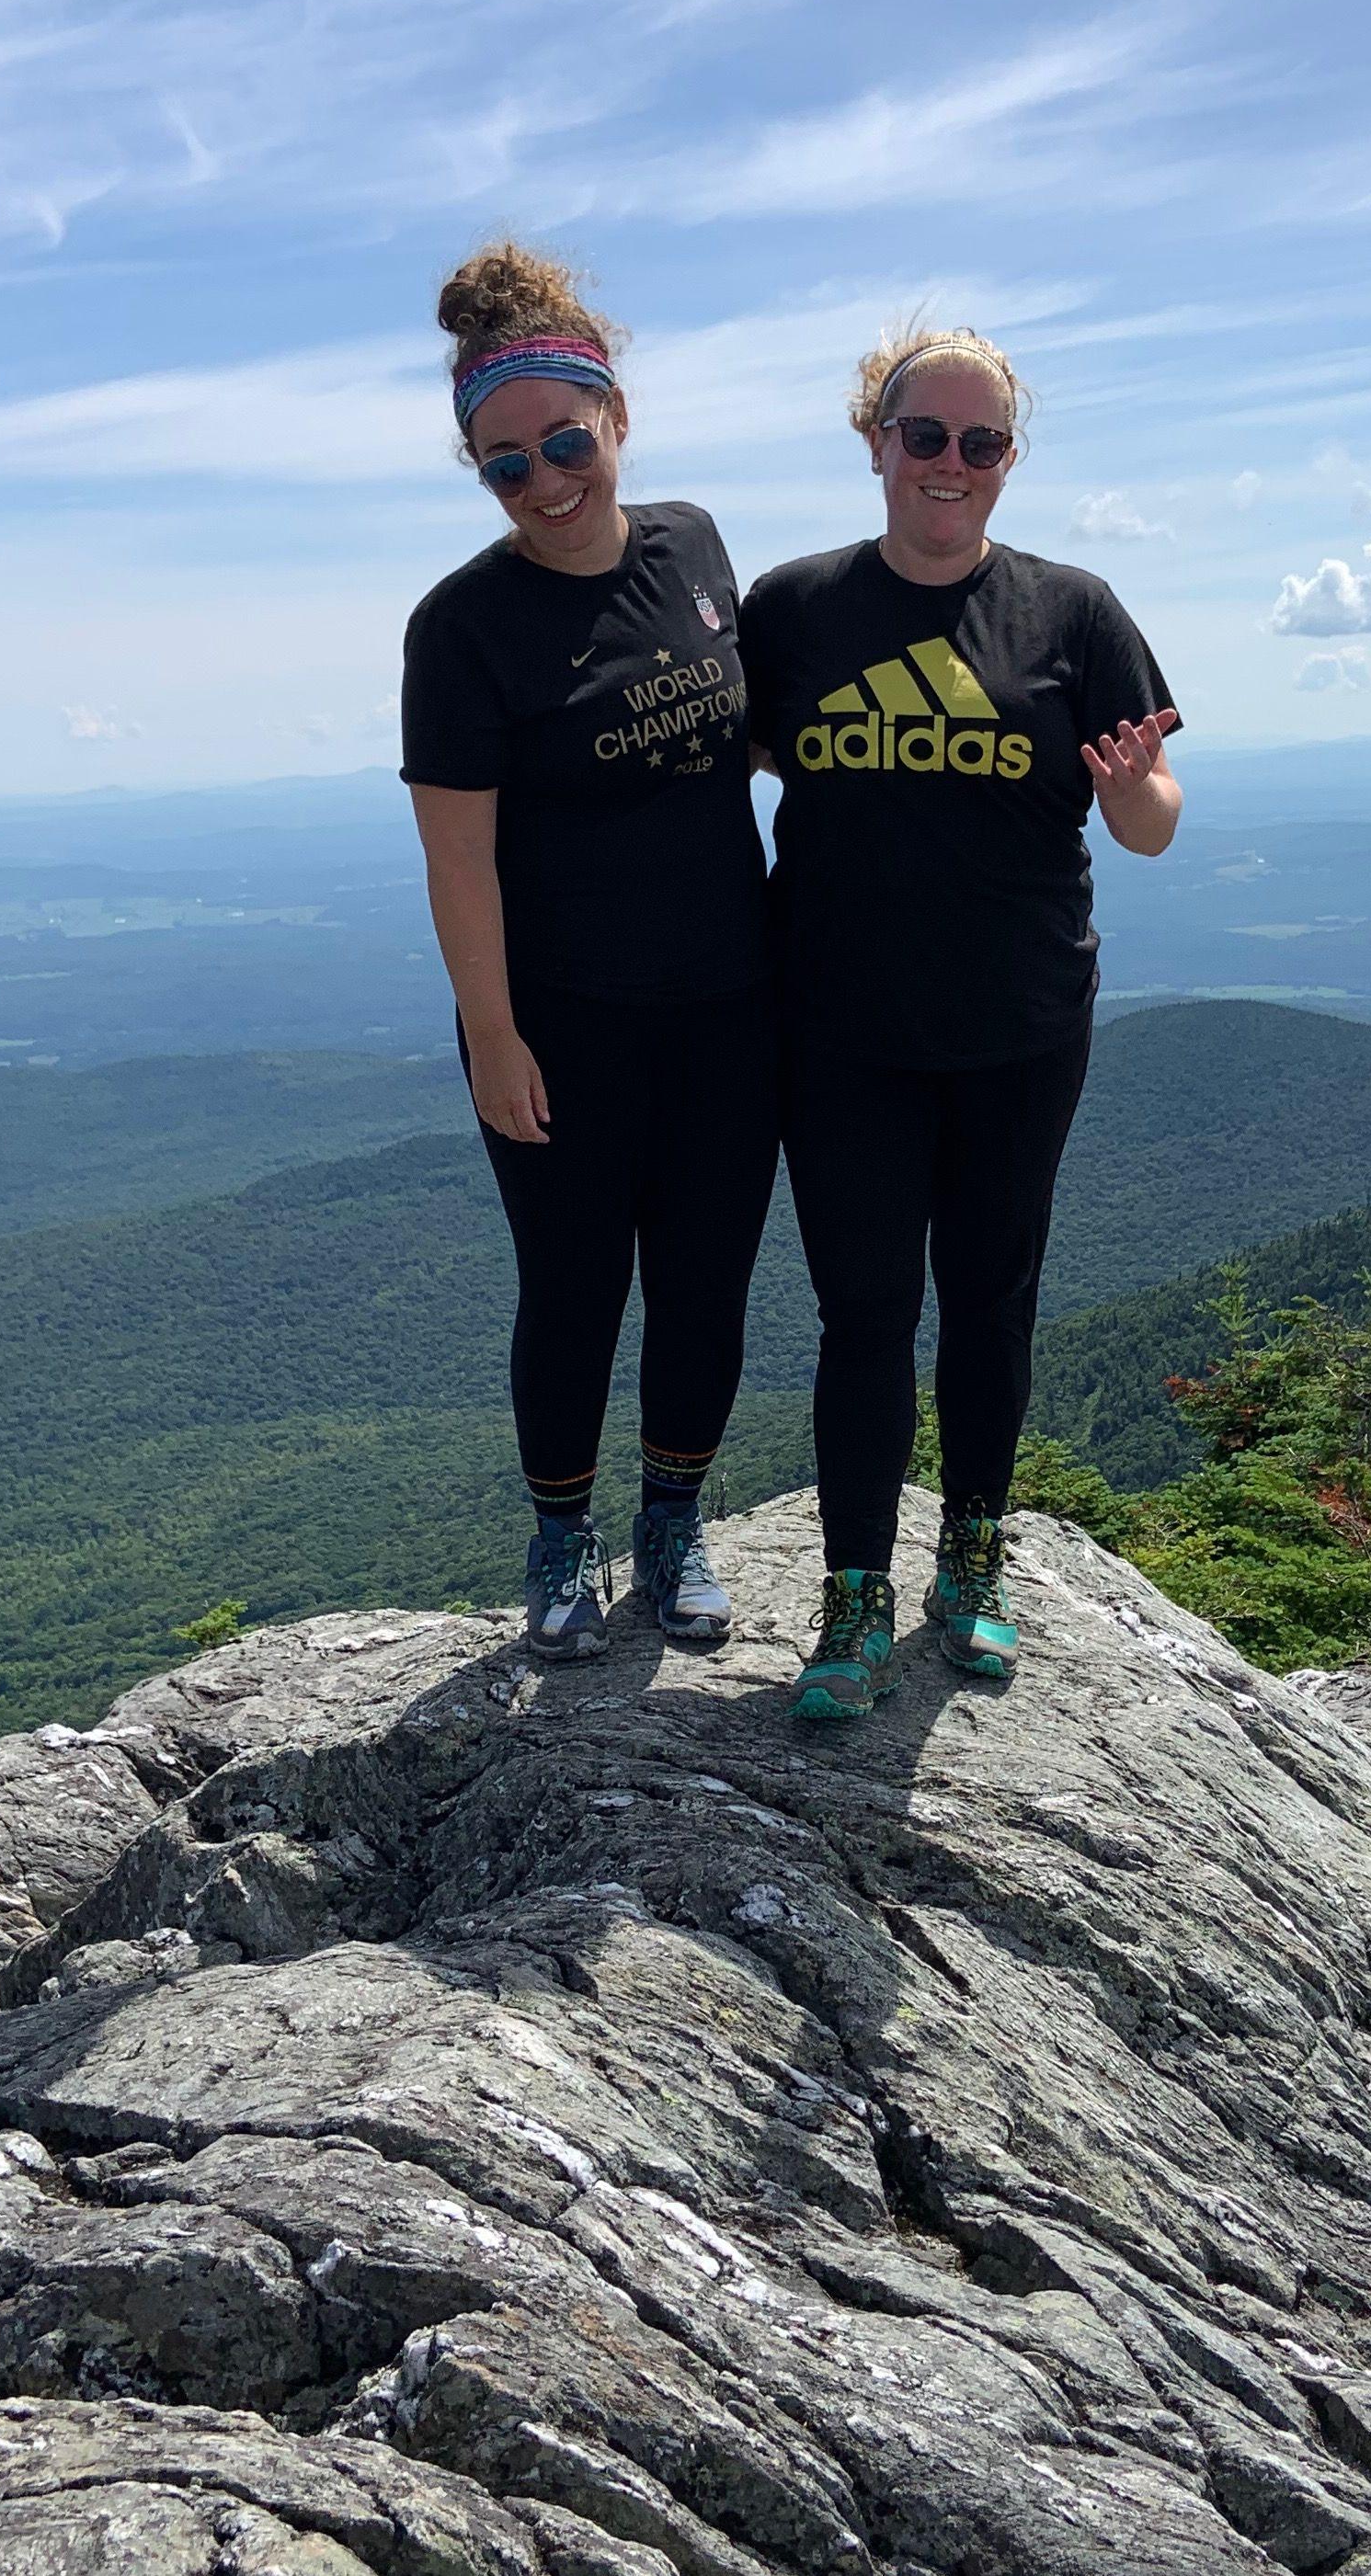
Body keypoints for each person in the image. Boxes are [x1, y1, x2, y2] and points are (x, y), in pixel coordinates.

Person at [738, 324, 1182, 1723]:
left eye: (979, 442)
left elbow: (1155, 818)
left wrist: (1129, 797)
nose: (949, 464)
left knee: (992, 1300)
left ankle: (974, 1557)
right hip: (840, 1031)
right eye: (922, 435)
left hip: (1020, 1027)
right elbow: (727, 764)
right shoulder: (796, 608)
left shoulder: (1076, 613)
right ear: (873, 442)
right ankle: (855, 1594)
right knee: (863, 1311)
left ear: (1009, 460)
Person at [397, 243, 778, 1660]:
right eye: (507, 464)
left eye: (568, 442)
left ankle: (671, 1526)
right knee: (572, 1292)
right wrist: (493, 1037)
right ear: (480, 472)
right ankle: (560, 1539)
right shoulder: (463, 628)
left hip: (732, 1005)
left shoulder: (693, 545)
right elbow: (458, 857)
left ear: (618, 421)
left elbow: (743, 731)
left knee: (706, 1283)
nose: (548, 480)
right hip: (556, 1021)